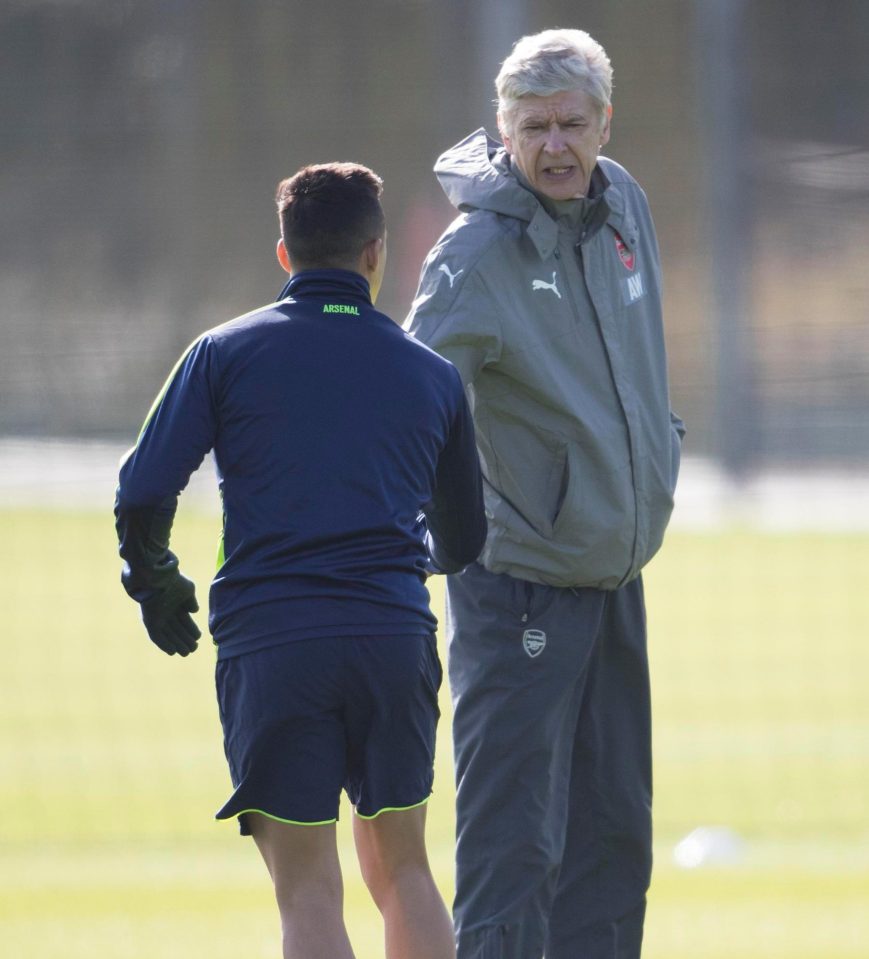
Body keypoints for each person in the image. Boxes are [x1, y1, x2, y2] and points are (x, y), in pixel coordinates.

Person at [115, 162, 486, 959]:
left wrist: (155, 581)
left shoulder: (221, 353)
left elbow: (143, 489)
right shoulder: (432, 375)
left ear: (283, 256)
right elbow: (464, 540)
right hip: (390, 640)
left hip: (273, 643)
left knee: (308, 888)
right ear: (376, 254)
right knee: (406, 872)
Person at [404, 29, 685, 959]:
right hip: (517, 585)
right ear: (503, 129)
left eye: (571, 123)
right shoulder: (471, 256)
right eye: (533, 127)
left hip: (613, 576)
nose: (554, 145)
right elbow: (409, 407)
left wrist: (657, 451)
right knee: (512, 849)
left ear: (605, 122)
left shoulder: (623, 205)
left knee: (613, 845)